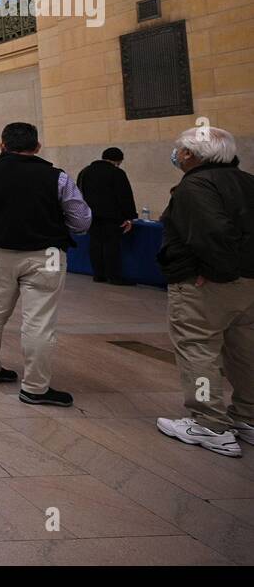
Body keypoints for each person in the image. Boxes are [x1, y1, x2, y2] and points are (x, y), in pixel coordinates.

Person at [0, 122, 92, 406]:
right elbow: (82, 220)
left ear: (2, 145)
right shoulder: (57, 178)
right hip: (44, 253)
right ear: (37, 147)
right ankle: (35, 387)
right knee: (39, 320)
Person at [155, 126, 254, 457]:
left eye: (179, 150)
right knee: (245, 350)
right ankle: (247, 416)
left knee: (198, 347)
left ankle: (210, 423)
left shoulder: (195, 186)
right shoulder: (246, 182)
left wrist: (215, 272)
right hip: (248, 285)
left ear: (188, 154)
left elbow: (213, 234)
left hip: (211, 285)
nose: (177, 155)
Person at [76, 147, 137, 284]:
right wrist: (129, 216)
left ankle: (98, 274)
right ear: (118, 160)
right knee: (111, 246)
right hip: (112, 216)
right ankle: (114, 276)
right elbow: (125, 196)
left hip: (91, 216)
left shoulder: (85, 172)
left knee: (95, 244)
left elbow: (79, 193)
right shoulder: (117, 173)